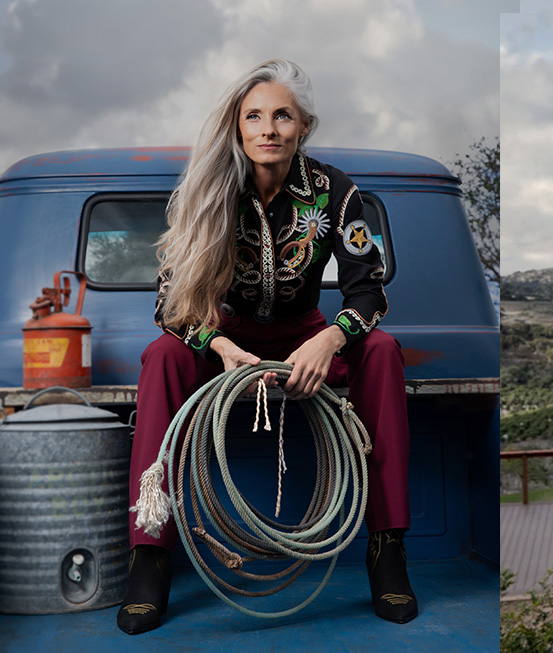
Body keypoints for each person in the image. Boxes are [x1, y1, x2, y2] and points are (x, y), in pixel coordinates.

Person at [117, 59, 417, 635]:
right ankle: (149, 552)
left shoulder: (337, 193)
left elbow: (369, 292)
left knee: (382, 351)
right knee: (162, 356)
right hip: (226, 337)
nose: (268, 128)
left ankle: (387, 548)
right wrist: (221, 346)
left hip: (305, 331)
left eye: (283, 115)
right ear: (236, 126)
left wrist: (329, 339)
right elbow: (168, 308)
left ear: (303, 126)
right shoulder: (203, 192)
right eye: (253, 116)